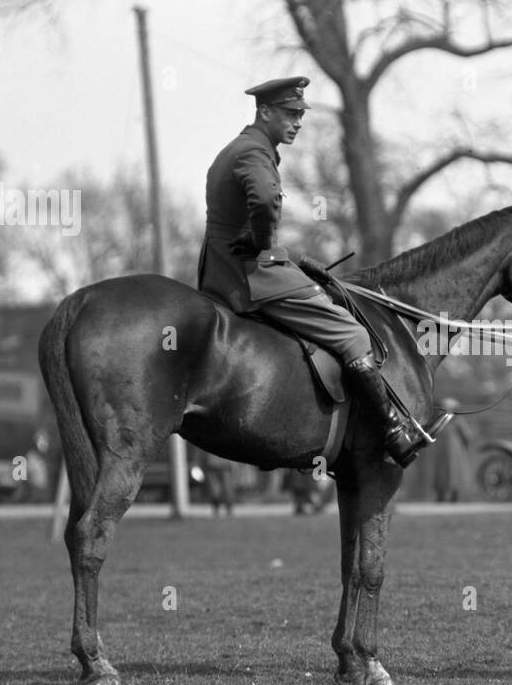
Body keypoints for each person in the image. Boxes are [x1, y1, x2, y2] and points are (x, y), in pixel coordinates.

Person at [197, 75, 431, 468]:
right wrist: (261, 241)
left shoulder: (239, 148)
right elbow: (266, 200)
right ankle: (393, 428)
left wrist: (280, 250)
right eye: (290, 114)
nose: (297, 122)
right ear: (265, 112)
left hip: (226, 267)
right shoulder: (254, 152)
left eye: (301, 114)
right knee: (353, 333)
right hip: (251, 275)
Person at [431, 397, 474, 502]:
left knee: (452, 473)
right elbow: (468, 436)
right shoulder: (443, 420)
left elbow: (467, 436)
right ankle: (442, 495)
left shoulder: (457, 421)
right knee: (447, 473)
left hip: (453, 451)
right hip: (448, 451)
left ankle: (452, 496)